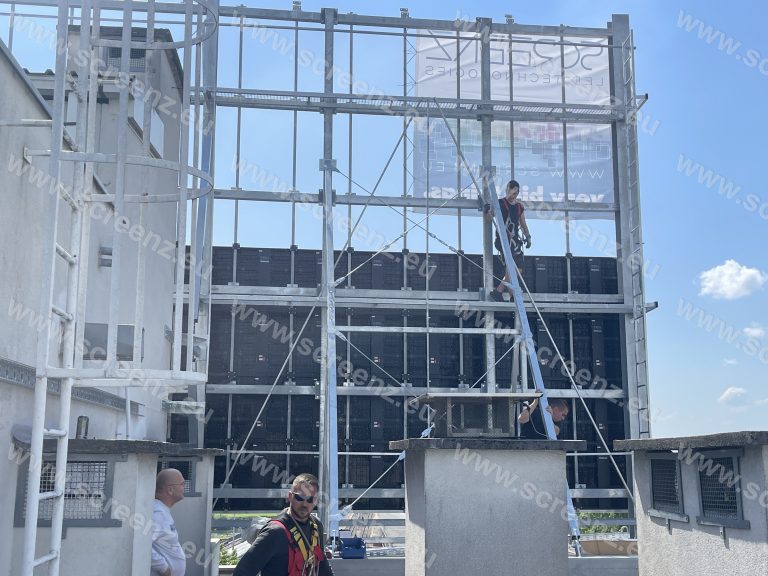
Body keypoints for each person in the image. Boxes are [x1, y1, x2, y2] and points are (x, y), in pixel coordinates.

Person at [233, 473, 334, 576]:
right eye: (299, 497)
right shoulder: (275, 532)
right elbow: (242, 572)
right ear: (290, 496)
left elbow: (322, 566)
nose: (304, 504)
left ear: (315, 501)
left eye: (310, 499)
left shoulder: (316, 526)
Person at [484, 179, 531, 302]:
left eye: (515, 193)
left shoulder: (519, 207)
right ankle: (504, 292)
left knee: (516, 268)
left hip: (514, 242)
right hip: (503, 240)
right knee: (513, 267)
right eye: (511, 192)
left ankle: (507, 294)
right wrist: (487, 211)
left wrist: (528, 237)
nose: (513, 195)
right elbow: (489, 219)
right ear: (507, 190)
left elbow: (523, 223)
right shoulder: (500, 203)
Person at [151, 468, 187, 576]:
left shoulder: (161, 511)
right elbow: (144, 545)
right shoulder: (158, 514)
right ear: (170, 490)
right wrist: (163, 568)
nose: (184, 487)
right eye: (182, 484)